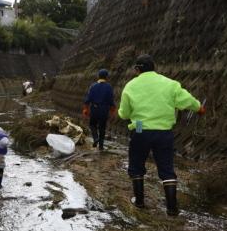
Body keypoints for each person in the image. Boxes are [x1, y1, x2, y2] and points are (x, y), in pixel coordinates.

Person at [118, 54, 206, 216]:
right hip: (163, 131)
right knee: (166, 167)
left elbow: (124, 114)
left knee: (137, 164)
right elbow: (187, 100)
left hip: (139, 129)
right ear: (154, 68)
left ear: (137, 69)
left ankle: (139, 202)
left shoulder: (130, 86)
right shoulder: (170, 84)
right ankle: (172, 209)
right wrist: (199, 108)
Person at [82, 69, 116, 150]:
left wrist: (86, 109)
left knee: (92, 125)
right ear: (107, 77)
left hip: (94, 108)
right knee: (102, 128)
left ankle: (95, 138)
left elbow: (88, 99)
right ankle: (101, 146)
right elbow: (111, 100)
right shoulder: (109, 87)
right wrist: (112, 111)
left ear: (98, 76)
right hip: (104, 110)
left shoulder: (93, 86)